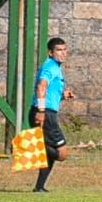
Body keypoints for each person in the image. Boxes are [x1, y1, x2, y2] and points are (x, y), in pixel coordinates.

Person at [29, 37, 74, 193]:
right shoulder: (51, 67)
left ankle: (40, 187)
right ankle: (30, 148)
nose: (63, 53)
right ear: (50, 53)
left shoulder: (55, 67)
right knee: (61, 154)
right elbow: (41, 86)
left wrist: (62, 95)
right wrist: (41, 111)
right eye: (58, 50)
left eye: (64, 49)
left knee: (52, 151)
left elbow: (48, 92)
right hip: (45, 114)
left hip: (47, 112)